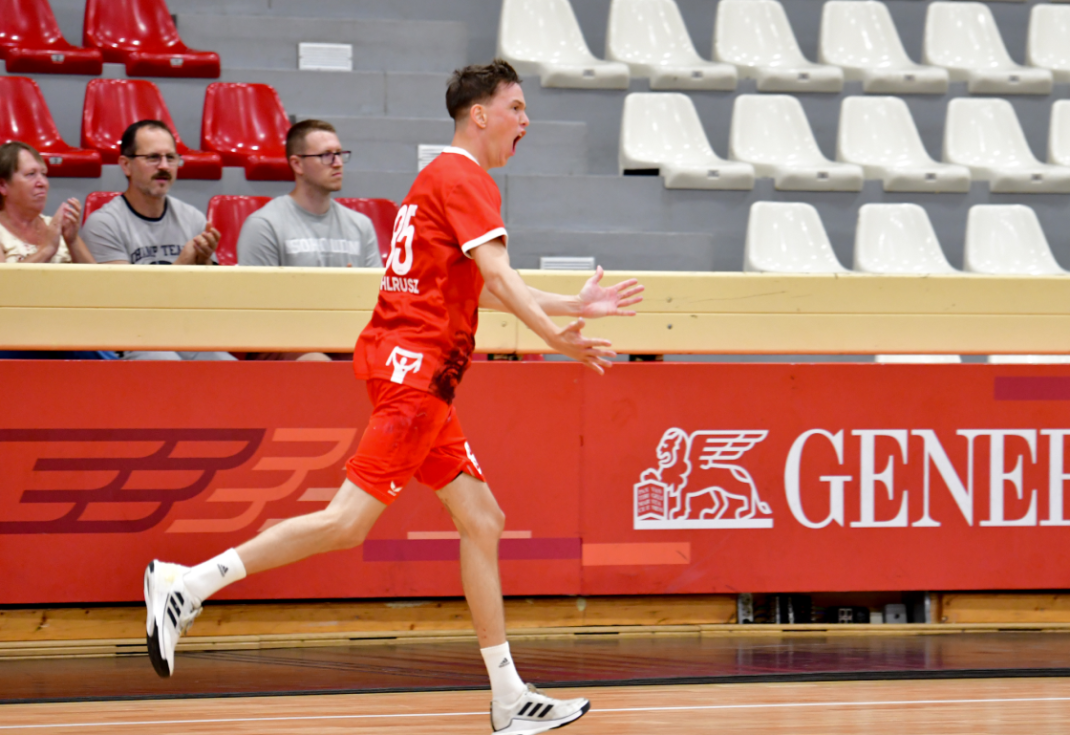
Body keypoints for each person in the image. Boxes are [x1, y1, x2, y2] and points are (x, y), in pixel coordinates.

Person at [143, 60, 643, 735]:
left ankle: (508, 696)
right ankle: (186, 583)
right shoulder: (465, 178)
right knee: (347, 522)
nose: (526, 121)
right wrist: (557, 337)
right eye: (517, 108)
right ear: (480, 115)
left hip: (413, 371)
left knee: (482, 519)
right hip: (417, 375)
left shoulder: (439, 177)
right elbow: (498, 275)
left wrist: (571, 305)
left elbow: (482, 286)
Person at [82, 120, 234, 362]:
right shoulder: (104, 224)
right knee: (168, 366)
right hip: (131, 339)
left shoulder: (192, 217)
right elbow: (123, 307)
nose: (164, 166)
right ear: (126, 165)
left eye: (171, 158)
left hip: (186, 333)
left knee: (228, 369)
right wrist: (181, 265)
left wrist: (204, 264)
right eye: (153, 157)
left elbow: (212, 299)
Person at [236, 119, 379, 268]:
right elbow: (258, 284)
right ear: (297, 164)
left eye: (339, 154)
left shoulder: (361, 226)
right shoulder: (264, 226)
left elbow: (377, 283)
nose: (338, 163)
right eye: (326, 155)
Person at [0, 141, 94, 265]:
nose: (43, 183)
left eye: (43, 174)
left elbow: (98, 276)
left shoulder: (57, 227)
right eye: (31, 174)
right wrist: (46, 250)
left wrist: (72, 241)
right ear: (2, 185)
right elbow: (3, 277)